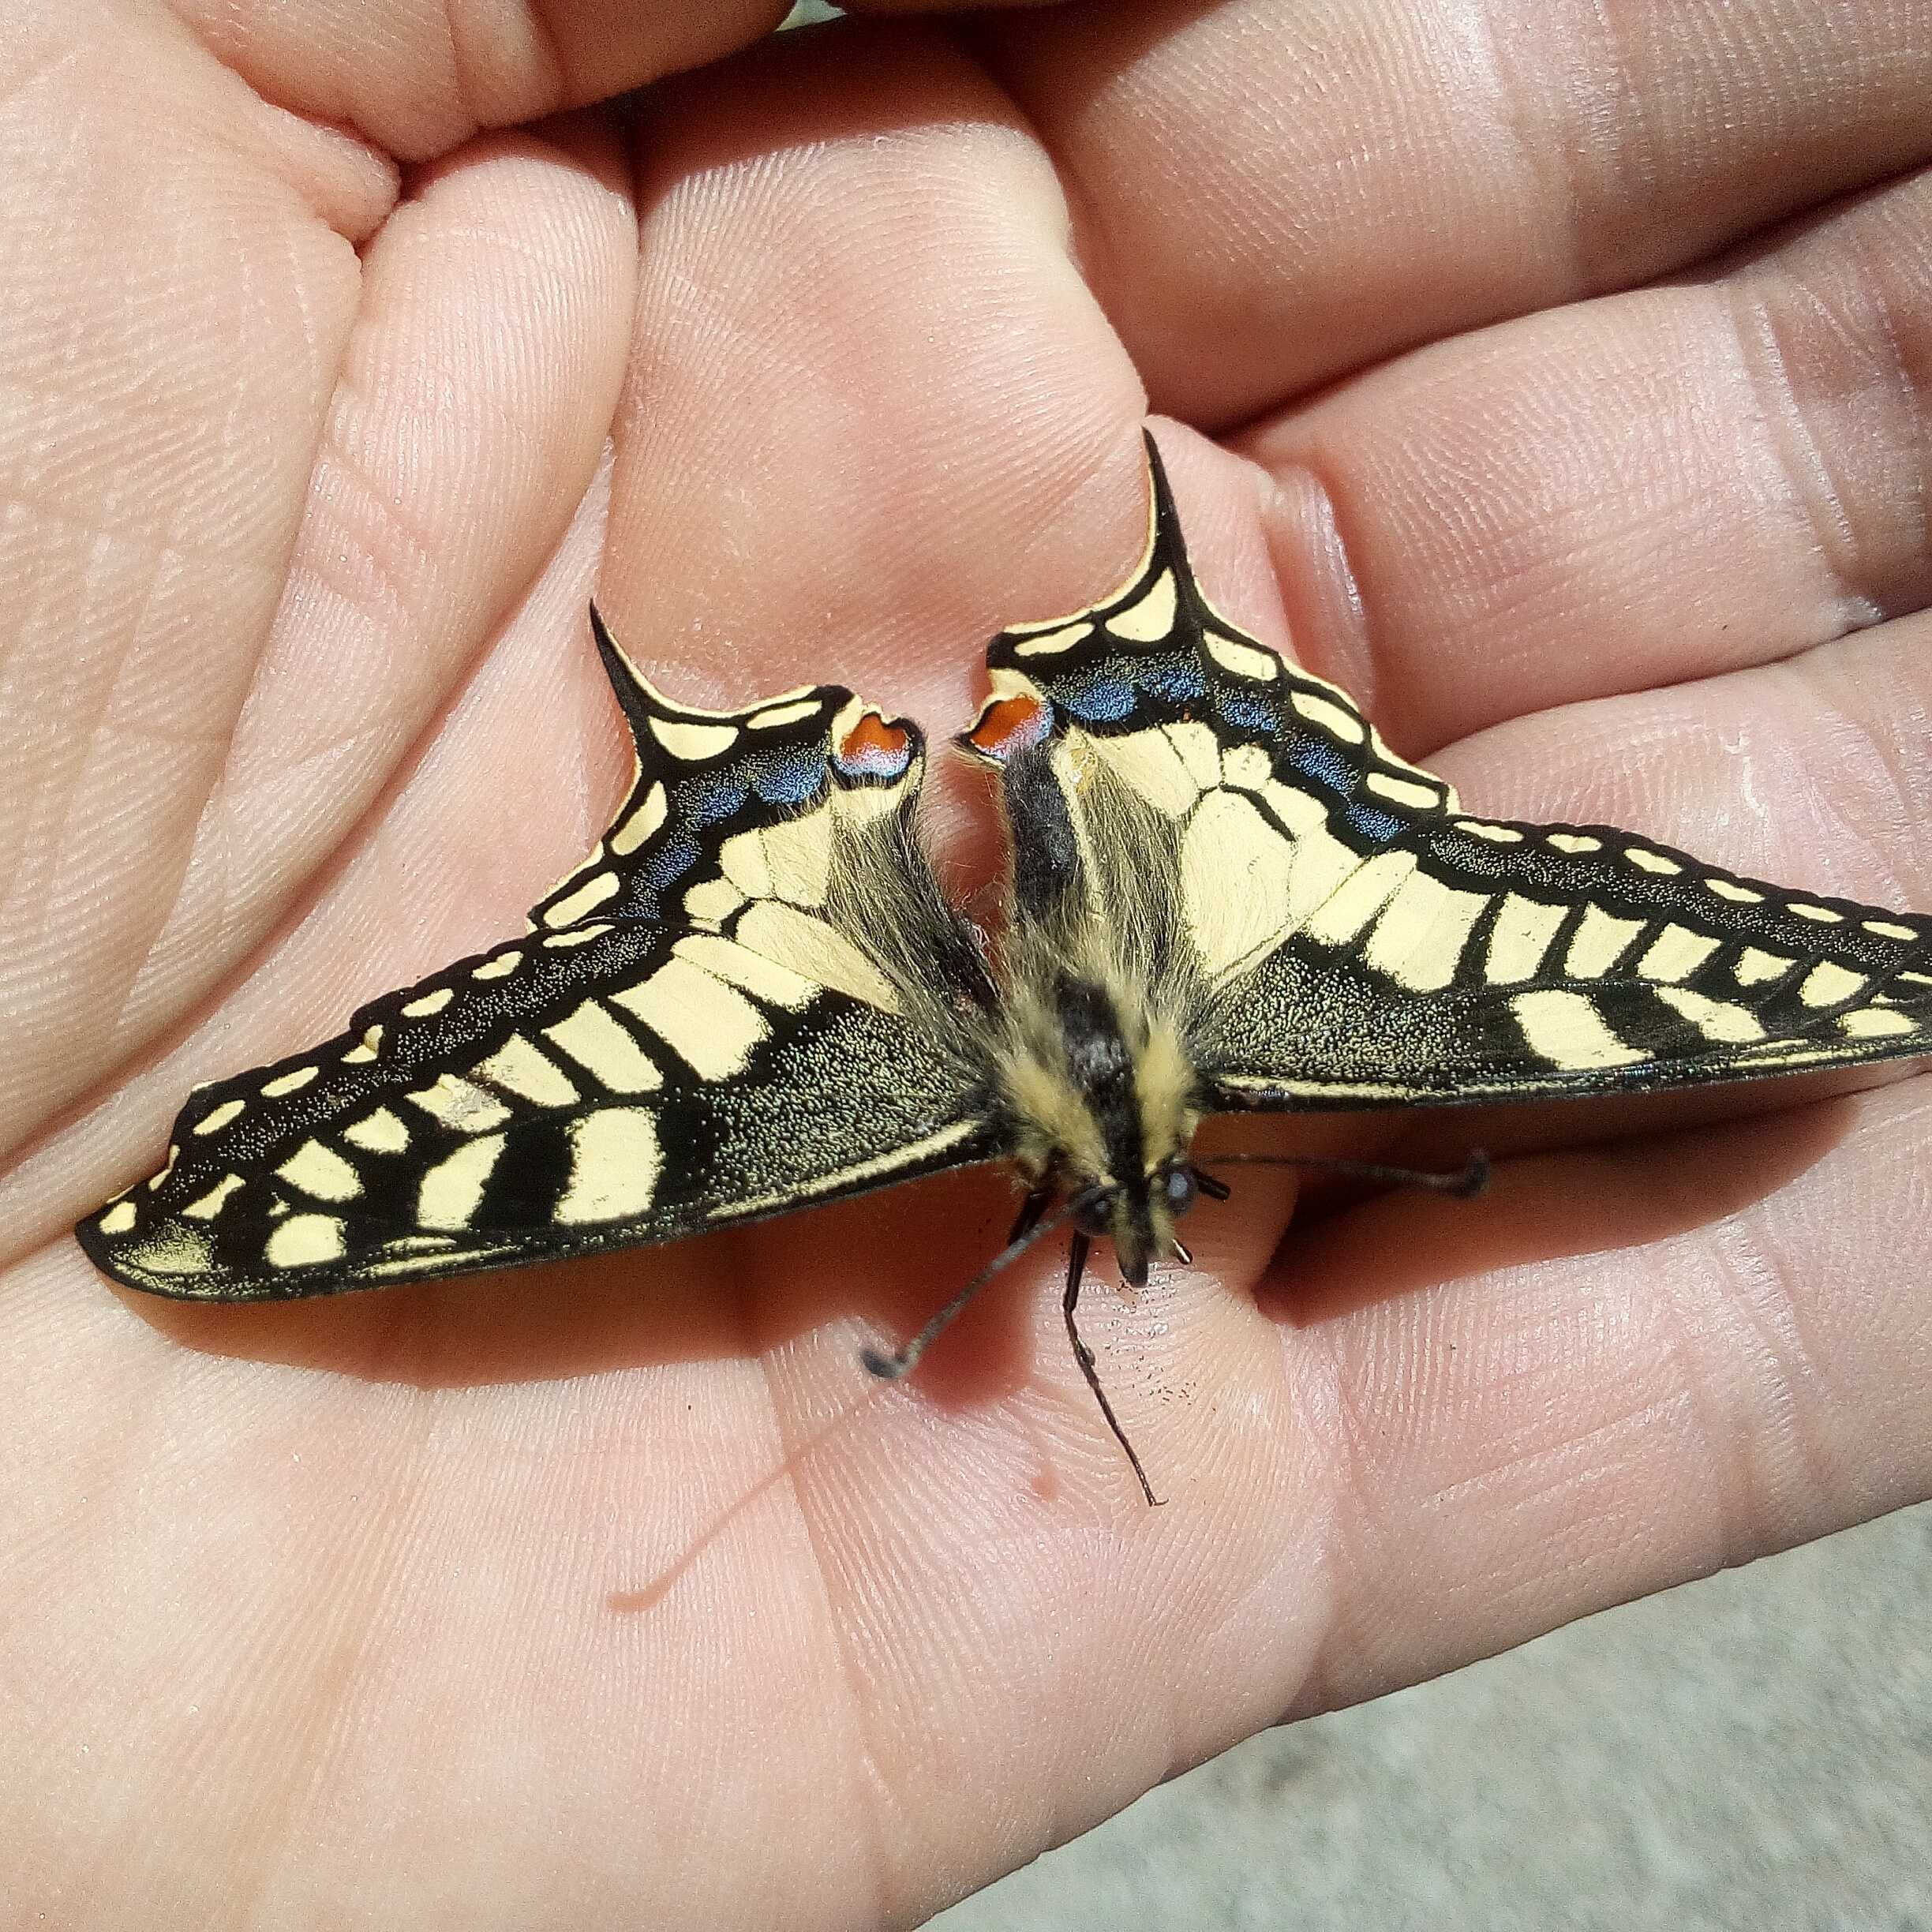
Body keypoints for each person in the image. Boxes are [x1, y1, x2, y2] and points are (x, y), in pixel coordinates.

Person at [4, 2, 1928, 1923]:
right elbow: (1568, 981)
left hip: (880, 982)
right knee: (1556, 1016)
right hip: (1227, 884)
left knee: (610, 1145)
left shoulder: (882, 1126)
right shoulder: (1336, 1043)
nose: (1113, 1218)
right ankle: (1099, 728)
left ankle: (957, 766)